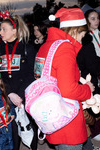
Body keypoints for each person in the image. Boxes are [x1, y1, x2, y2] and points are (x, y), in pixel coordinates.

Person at [35, 8, 94, 150]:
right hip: (66, 120)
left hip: (52, 114)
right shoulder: (65, 48)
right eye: (82, 35)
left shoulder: (46, 46)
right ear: (75, 30)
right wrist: (87, 89)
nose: (81, 39)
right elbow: (67, 89)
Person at [0, 12, 37, 150]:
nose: (0, 32)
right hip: (7, 95)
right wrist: (11, 94)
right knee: (12, 132)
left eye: (3, 29)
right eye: (0, 29)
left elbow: (32, 75)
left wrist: (20, 96)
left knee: (29, 127)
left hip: (26, 94)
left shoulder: (28, 48)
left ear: (15, 31)